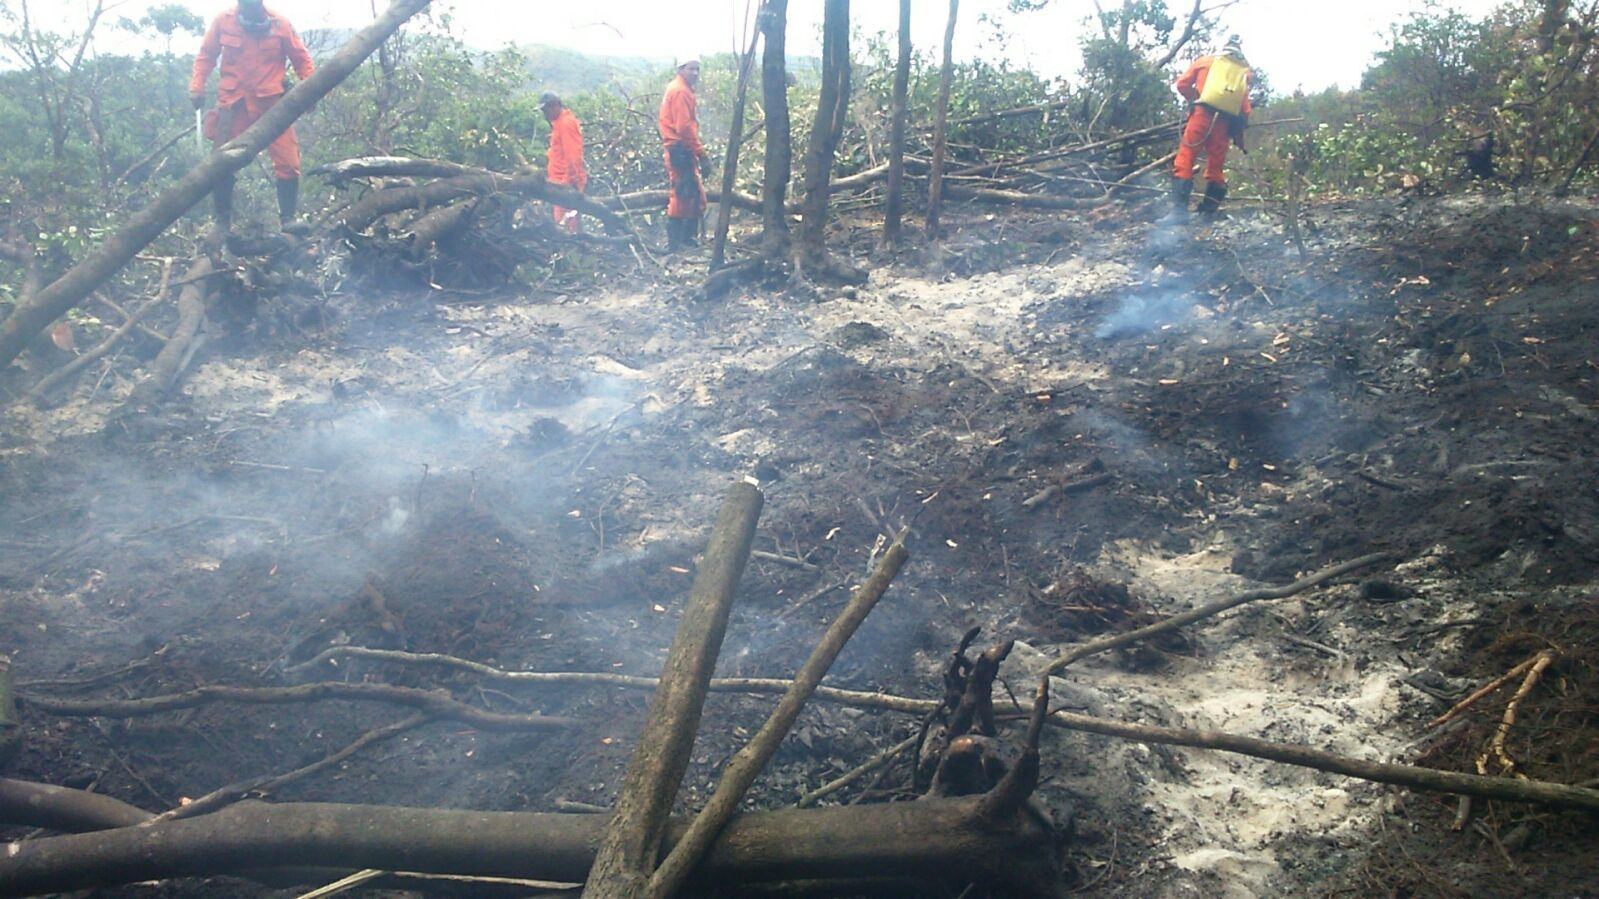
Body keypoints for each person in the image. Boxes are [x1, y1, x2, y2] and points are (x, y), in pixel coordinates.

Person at [189, 0, 315, 232]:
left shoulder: (280, 24)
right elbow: (206, 55)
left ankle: (287, 220)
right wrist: (197, 87)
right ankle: (222, 222)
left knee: (289, 162)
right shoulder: (223, 20)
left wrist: (311, 91)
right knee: (222, 162)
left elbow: (302, 59)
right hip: (233, 105)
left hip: (273, 106)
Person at [1169, 35, 1253, 222]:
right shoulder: (1242, 73)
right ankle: (1208, 212)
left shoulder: (1205, 61)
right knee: (1216, 167)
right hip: (1223, 124)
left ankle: (1179, 214)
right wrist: (1238, 130)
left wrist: (1195, 98)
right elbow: (1245, 109)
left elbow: (1181, 84)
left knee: (1185, 160)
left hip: (1201, 116)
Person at [658, 56, 708, 251]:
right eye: (691, 69)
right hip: (679, 148)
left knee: (691, 194)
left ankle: (685, 240)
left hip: (678, 147)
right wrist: (701, 154)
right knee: (682, 194)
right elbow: (684, 127)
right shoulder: (680, 91)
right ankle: (677, 243)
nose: (695, 73)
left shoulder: (680, 88)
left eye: (697, 69)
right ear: (680, 69)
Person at [540, 92, 588, 234]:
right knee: (563, 221)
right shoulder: (559, 123)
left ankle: (570, 250)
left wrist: (570, 182)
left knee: (567, 224)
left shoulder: (566, 123)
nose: (545, 114)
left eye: (546, 109)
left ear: (555, 106)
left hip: (565, 183)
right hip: (558, 181)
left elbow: (573, 156)